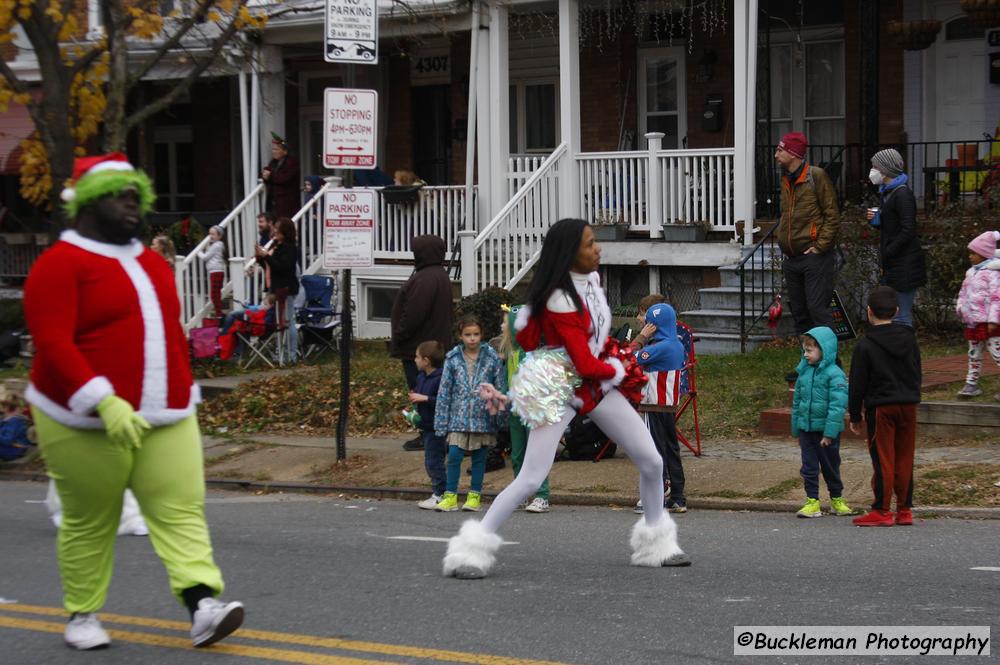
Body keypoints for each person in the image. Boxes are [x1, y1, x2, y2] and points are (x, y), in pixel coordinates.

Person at [23, 152, 243, 650]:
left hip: (166, 411)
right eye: (119, 197)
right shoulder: (60, 264)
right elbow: (54, 342)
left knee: (181, 509)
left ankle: (202, 605)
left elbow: (167, 333)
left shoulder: (150, 261)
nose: (132, 206)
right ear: (87, 204)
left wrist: (184, 389)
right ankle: (82, 614)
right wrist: (103, 400)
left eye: (135, 197)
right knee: (90, 519)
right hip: (79, 419)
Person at [440, 218, 690, 579]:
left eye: (595, 242)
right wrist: (620, 368)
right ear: (569, 253)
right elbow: (583, 359)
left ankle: (656, 545)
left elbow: (596, 340)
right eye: (590, 244)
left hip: (593, 383)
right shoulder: (559, 297)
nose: (597, 249)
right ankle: (469, 550)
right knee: (531, 477)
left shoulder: (592, 280)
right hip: (560, 387)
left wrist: (616, 358)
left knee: (651, 460)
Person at [848, 286, 922, 527]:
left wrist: (855, 412)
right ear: (897, 311)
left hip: (880, 406)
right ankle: (905, 509)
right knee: (904, 456)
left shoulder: (865, 345)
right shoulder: (910, 338)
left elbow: (858, 382)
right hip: (908, 403)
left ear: (869, 312)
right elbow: (917, 370)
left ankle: (881, 509)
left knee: (883, 458)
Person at [432, 315, 506, 513]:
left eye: (476, 334)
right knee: (455, 455)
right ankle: (450, 496)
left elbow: (500, 387)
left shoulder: (491, 358)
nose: (472, 338)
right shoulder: (453, 359)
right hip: (458, 415)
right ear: (460, 336)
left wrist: (500, 415)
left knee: (479, 457)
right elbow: (444, 391)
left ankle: (474, 496)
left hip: (483, 416)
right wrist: (441, 421)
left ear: (482, 335)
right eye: (468, 335)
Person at [389, 235, 453, 451]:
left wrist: (399, 334)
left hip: (420, 349)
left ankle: (429, 434)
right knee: (432, 391)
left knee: (423, 392)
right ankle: (433, 433)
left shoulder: (426, 279)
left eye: (416, 250)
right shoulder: (437, 275)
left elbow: (414, 314)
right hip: (430, 347)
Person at [774, 132, 840, 334]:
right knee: (800, 313)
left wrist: (820, 247)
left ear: (793, 153)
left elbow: (832, 214)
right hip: (792, 258)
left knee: (817, 310)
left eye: (780, 150)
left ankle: (829, 362)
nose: (776, 155)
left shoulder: (816, 176)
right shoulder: (785, 179)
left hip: (814, 257)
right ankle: (807, 361)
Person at [790, 326, 852, 519]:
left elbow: (837, 406)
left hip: (826, 432)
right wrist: (796, 429)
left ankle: (836, 498)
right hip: (806, 429)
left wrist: (829, 433)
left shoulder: (835, 375)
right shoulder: (804, 373)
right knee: (808, 467)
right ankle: (812, 501)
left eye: (809, 350)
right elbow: (797, 401)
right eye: (804, 350)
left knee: (830, 465)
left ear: (823, 350)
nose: (806, 354)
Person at [634, 302, 688, 515]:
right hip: (668, 405)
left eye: (650, 323)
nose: (647, 325)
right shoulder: (676, 344)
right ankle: (678, 497)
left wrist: (641, 337)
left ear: (656, 325)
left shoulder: (658, 347)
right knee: (671, 449)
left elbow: (628, 356)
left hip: (653, 405)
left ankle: (655, 493)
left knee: (653, 451)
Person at [497, 305, 551, 513]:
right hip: (515, 413)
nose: (502, 325)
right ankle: (520, 492)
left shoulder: (533, 355)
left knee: (536, 455)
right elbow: (507, 382)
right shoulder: (511, 354)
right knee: (517, 455)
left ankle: (542, 495)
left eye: (505, 322)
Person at [865, 149, 926, 327]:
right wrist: (877, 222)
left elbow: (908, 229)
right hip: (894, 263)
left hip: (904, 264)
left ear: (885, 169)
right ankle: (898, 350)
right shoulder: (888, 192)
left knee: (901, 314)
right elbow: (894, 226)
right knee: (893, 314)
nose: (872, 171)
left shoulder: (902, 194)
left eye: (875, 166)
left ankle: (906, 352)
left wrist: (889, 251)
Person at [955, 230, 1000, 399]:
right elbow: (963, 293)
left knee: (998, 353)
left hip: (990, 323)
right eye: (970, 253)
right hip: (973, 322)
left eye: (974, 253)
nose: (970, 256)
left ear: (984, 254)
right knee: (973, 354)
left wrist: (994, 320)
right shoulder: (970, 272)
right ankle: (971, 384)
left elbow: (997, 298)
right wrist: (961, 308)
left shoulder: (993, 274)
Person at [255, 217, 299, 363]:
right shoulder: (276, 246)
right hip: (276, 287)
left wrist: (267, 255)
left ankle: (291, 355)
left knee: (288, 321)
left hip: (286, 288)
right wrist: (261, 257)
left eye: (278, 227)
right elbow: (270, 265)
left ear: (284, 231)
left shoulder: (290, 248)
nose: (274, 230)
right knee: (279, 322)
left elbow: (282, 267)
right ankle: (281, 352)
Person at [410, 340, 446, 510]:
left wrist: (425, 399)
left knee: (434, 461)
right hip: (426, 424)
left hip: (436, 426)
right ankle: (439, 492)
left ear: (426, 361)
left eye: (417, 357)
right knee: (430, 460)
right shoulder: (421, 377)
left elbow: (444, 401)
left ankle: (440, 493)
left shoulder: (440, 378)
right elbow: (419, 394)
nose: (414, 360)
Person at [262, 134, 300, 219]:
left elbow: (284, 178)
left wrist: (270, 175)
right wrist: (264, 175)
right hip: (273, 202)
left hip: (286, 202)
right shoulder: (273, 163)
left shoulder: (292, 163)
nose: (273, 151)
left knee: (283, 225)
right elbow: (268, 174)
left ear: (285, 151)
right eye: (273, 149)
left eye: (276, 149)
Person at [198, 225, 227, 318]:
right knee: (216, 293)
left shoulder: (217, 245)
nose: (210, 236)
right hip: (217, 271)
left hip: (215, 271)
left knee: (214, 294)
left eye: (213, 234)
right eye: (210, 234)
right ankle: (219, 312)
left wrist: (198, 252)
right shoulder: (219, 245)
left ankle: (219, 313)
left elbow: (206, 257)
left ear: (219, 236)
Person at [0, 384, 32, 461]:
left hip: (15, 449)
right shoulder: (7, 419)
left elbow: (7, 440)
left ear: (6, 408)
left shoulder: (15, 421)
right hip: (9, 447)